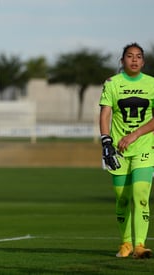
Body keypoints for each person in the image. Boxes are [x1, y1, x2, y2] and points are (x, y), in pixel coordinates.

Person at [99, 42, 154, 259]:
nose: (134, 60)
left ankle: (140, 245)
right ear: (122, 61)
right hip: (118, 152)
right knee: (122, 198)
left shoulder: (152, 84)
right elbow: (105, 114)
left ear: (143, 61)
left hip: (145, 147)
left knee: (141, 196)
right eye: (129, 56)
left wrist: (134, 135)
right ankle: (126, 244)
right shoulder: (112, 83)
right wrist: (105, 141)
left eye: (138, 56)